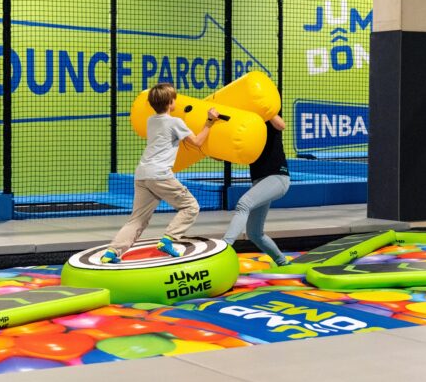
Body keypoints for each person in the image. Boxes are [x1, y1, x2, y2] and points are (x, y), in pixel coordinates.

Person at [101, 83, 219, 263]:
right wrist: (210, 121)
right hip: (160, 174)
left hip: (142, 174)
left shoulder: (151, 120)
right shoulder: (175, 122)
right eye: (174, 99)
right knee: (190, 206)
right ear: (171, 102)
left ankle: (111, 253)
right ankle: (168, 239)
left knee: (137, 220)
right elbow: (197, 142)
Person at [223, 114, 291, 266]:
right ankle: (282, 262)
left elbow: (281, 125)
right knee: (254, 233)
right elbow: (227, 152)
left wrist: (266, 109)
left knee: (243, 204)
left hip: (278, 177)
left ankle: (225, 247)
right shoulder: (248, 125)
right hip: (260, 181)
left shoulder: (270, 118)